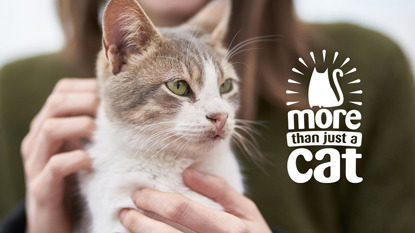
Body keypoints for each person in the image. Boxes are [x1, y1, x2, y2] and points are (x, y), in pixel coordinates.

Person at [0, 0, 414, 232]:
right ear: (121, 53)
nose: (220, 115)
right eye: (180, 87)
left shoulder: (365, 63)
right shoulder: (15, 90)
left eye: (227, 88)